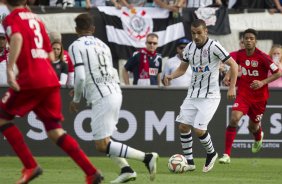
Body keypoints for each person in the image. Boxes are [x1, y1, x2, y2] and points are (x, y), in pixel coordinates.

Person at [0, 1, 103, 184]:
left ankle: (30, 165)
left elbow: (16, 38)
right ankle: (91, 171)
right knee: (55, 131)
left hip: (31, 78)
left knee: (2, 117)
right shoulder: (37, 20)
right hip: (50, 78)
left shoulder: (11, 18)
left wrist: (10, 70)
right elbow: (50, 55)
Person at [68, 13, 159, 184]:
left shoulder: (75, 46)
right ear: (93, 29)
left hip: (101, 95)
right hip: (114, 91)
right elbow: (104, 71)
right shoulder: (103, 45)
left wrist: (76, 99)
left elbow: (80, 76)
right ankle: (126, 170)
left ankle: (147, 157)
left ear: (76, 30)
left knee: (101, 144)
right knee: (105, 138)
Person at [163, 19, 238, 172]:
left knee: (199, 129)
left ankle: (211, 153)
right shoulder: (189, 48)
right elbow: (182, 69)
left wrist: (232, 88)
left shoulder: (214, 46)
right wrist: (171, 76)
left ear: (205, 32)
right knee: (183, 127)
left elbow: (234, 65)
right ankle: (189, 162)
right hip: (192, 94)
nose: (196, 36)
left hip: (210, 95)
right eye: (193, 33)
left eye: (199, 33)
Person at [218, 28, 282, 164]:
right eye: (246, 38)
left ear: (255, 41)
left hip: (259, 98)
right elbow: (233, 65)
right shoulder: (239, 54)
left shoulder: (263, 57)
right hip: (244, 94)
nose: (248, 40)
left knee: (252, 127)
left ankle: (258, 137)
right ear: (243, 40)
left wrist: (262, 82)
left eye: (251, 38)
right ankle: (226, 155)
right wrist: (228, 76)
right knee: (234, 118)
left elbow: (278, 73)